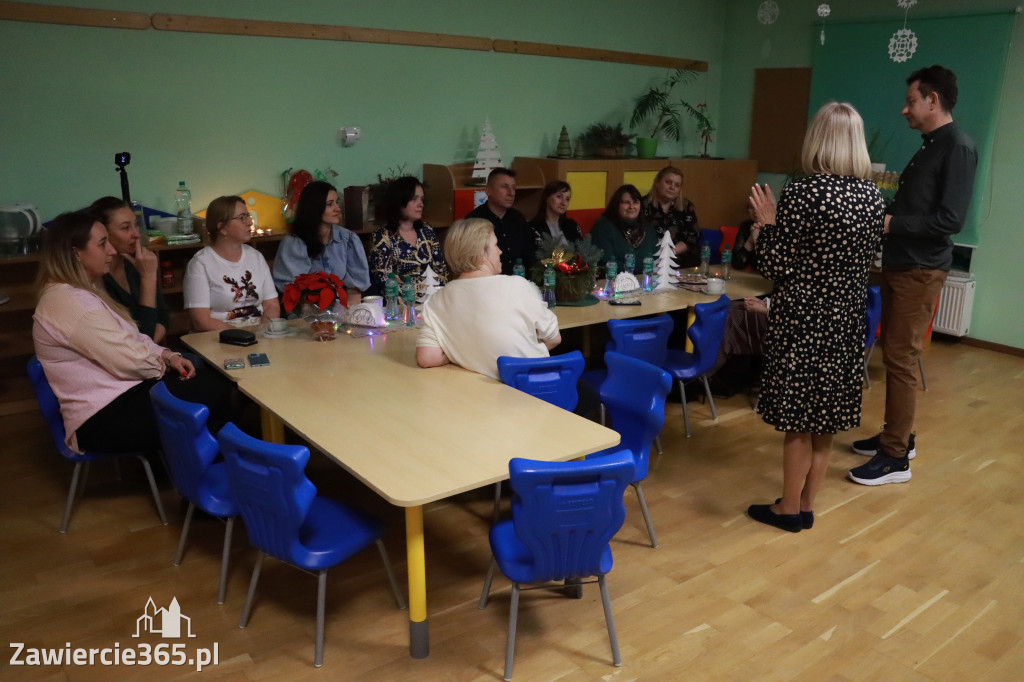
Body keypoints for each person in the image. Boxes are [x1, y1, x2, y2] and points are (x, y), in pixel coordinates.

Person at [746, 102, 884, 532]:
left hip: (804, 321)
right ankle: (806, 504)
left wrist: (765, 225)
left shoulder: (805, 192)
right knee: (826, 420)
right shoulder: (873, 198)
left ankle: (787, 510)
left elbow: (777, 266)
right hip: (846, 321)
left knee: (798, 422)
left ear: (817, 139)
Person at [849, 65, 978, 486]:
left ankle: (894, 457)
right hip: (903, 264)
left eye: (911, 102)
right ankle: (897, 435)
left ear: (933, 101)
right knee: (897, 353)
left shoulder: (956, 146)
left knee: (900, 360)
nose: (904, 110)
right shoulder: (930, 146)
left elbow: (949, 219)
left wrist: (890, 224)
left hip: (920, 270)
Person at [32, 211, 231, 455]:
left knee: (210, 383)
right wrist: (166, 364)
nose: (112, 251)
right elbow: (131, 360)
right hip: (101, 417)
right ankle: (208, 473)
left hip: (121, 396)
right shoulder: (69, 303)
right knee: (218, 388)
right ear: (76, 252)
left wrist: (168, 355)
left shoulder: (81, 292)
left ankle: (200, 469)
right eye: (102, 244)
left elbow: (135, 339)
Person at [416, 218, 560, 380]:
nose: (500, 251)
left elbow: (427, 358)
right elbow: (554, 338)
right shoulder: (518, 286)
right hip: (537, 390)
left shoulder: (436, 301)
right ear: (481, 253)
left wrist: (460, 352)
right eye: (495, 245)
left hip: (488, 396)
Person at [184, 196, 280, 331]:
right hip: (220, 337)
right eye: (242, 218)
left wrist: (262, 330)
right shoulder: (200, 263)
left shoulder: (256, 257)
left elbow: (272, 306)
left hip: (259, 333)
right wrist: (243, 336)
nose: (249, 223)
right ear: (222, 228)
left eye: (248, 216)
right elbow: (201, 321)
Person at [273, 180, 369, 306]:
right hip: (306, 311)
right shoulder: (293, 243)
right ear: (314, 208)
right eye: (330, 204)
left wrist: (347, 314)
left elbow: (355, 290)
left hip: (341, 310)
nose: (337, 209)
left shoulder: (348, 239)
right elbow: (294, 293)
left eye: (337, 203)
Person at [89, 196, 169, 343]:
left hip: (148, 354)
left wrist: (150, 349)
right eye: (126, 228)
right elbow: (140, 337)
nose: (136, 234)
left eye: (136, 225)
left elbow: (163, 317)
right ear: (103, 233)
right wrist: (148, 278)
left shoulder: (137, 263)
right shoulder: (96, 276)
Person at [368, 176, 448, 295]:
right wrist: (415, 297)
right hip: (399, 302)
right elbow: (384, 281)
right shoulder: (382, 237)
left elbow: (441, 271)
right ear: (400, 201)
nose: (420, 204)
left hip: (431, 298)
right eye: (414, 199)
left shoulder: (427, 231)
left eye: (421, 199)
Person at [465, 168, 534, 275]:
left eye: (513, 188)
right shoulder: (475, 221)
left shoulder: (518, 218)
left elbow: (529, 257)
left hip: (519, 283)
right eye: (504, 187)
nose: (511, 193)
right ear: (488, 190)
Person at [589, 184, 657, 274]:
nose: (631, 207)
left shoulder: (647, 226)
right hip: (613, 281)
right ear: (616, 205)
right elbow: (606, 263)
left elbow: (656, 258)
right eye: (626, 202)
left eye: (635, 202)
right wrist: (644, 268)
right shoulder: (603, 226)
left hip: (646, 281)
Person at [642, 166, 702, 268]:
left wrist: (671, 252)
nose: (672, 187)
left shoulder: (686, 206)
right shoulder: (642, 205)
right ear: (657, 183)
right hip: (650, 260)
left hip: (682, 260)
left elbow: (693, 237)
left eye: (677, 185)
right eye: (668, 182)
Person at [528, 180, 583, 249]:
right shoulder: (533, 228)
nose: (563, 203)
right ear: (547, 198)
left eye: (567, 199)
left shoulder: (571, 225)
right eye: (559, 197)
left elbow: (583, 252)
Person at [730, 204, 762, 272]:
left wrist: (757, 241)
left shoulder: (776, 226)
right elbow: (736, 264)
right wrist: (750, 242)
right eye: (751, 207)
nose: (755, 211)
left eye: (758, 206)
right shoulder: (746, 226)